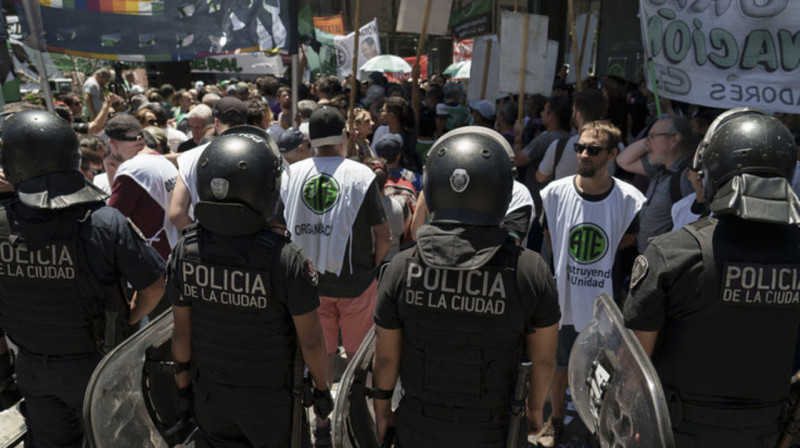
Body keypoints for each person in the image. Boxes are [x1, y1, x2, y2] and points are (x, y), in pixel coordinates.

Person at [372, 126, 560, 447]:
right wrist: (534, 411)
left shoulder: (401, 268)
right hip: (494, 428)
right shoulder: (530, 270)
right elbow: (543, 360)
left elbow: (387, 360)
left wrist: (382, 410)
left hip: (419, 425)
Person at [622, 109, 800, 448]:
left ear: (711, 171)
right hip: (768, 432)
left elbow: (634, 369)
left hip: (678, 433)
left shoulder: (672, 253)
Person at [0, 110, 166, 446]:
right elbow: (154, 286)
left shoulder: (3, 224)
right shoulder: (105, 222)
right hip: (100, 367)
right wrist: (127, 319)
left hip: (34, 368)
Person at [169, 132, 331, 448]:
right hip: (271, 402)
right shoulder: (285, 258)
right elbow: (311, 339)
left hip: (211, 395)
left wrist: (183, 389)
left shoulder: (186, 250)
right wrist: (323, 390)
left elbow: (181, 333)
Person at [281, 106, 391, 447]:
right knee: (360, 361)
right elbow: (384, 236)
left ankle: (323, 423)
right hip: (356, 282)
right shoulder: (361, 176)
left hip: (306, 285)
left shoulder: (290, 174)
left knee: (320, 356)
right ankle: (358, 421)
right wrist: (371, 267)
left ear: (310, 140)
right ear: (345, 137)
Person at [536, 121, 645, 447]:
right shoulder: (554, 194)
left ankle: (597, 426)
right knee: (558, 365)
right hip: (564, 301)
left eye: (593, 149)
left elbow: (628, 241)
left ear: (612, 154)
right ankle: (555, 419)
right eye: (579, 147)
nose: (583, 154)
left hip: (605, 306)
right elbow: (551, 239)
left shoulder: (629, 200)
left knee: (601, 373)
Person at [616, 115, 696, 253]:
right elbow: (623, 160)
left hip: (667, 263)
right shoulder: (661, 168)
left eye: (652, 137)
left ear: (674, 139)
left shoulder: (687, 176)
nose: (648, 143)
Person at [105, 114, 179, 262]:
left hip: (160, 259)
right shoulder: (159, 159)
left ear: (112, 143)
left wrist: (109, 169)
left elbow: (110, 221)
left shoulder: (132, 170)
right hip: (177, 251)